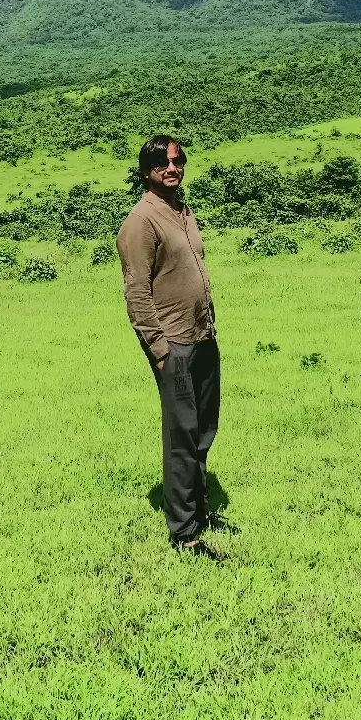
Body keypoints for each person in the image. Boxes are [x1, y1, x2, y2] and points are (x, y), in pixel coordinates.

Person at [116, 134, 221, 552]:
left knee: (203, 432)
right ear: (147, 171)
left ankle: (199, 512)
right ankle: (185, 535)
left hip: (203, 335)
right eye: (163, 164)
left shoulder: (182, 210)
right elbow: (136, 292)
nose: (172, 169)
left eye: (177, 162)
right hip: (172, 344)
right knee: (182, 436)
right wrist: (159, 350)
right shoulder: (140, 222)